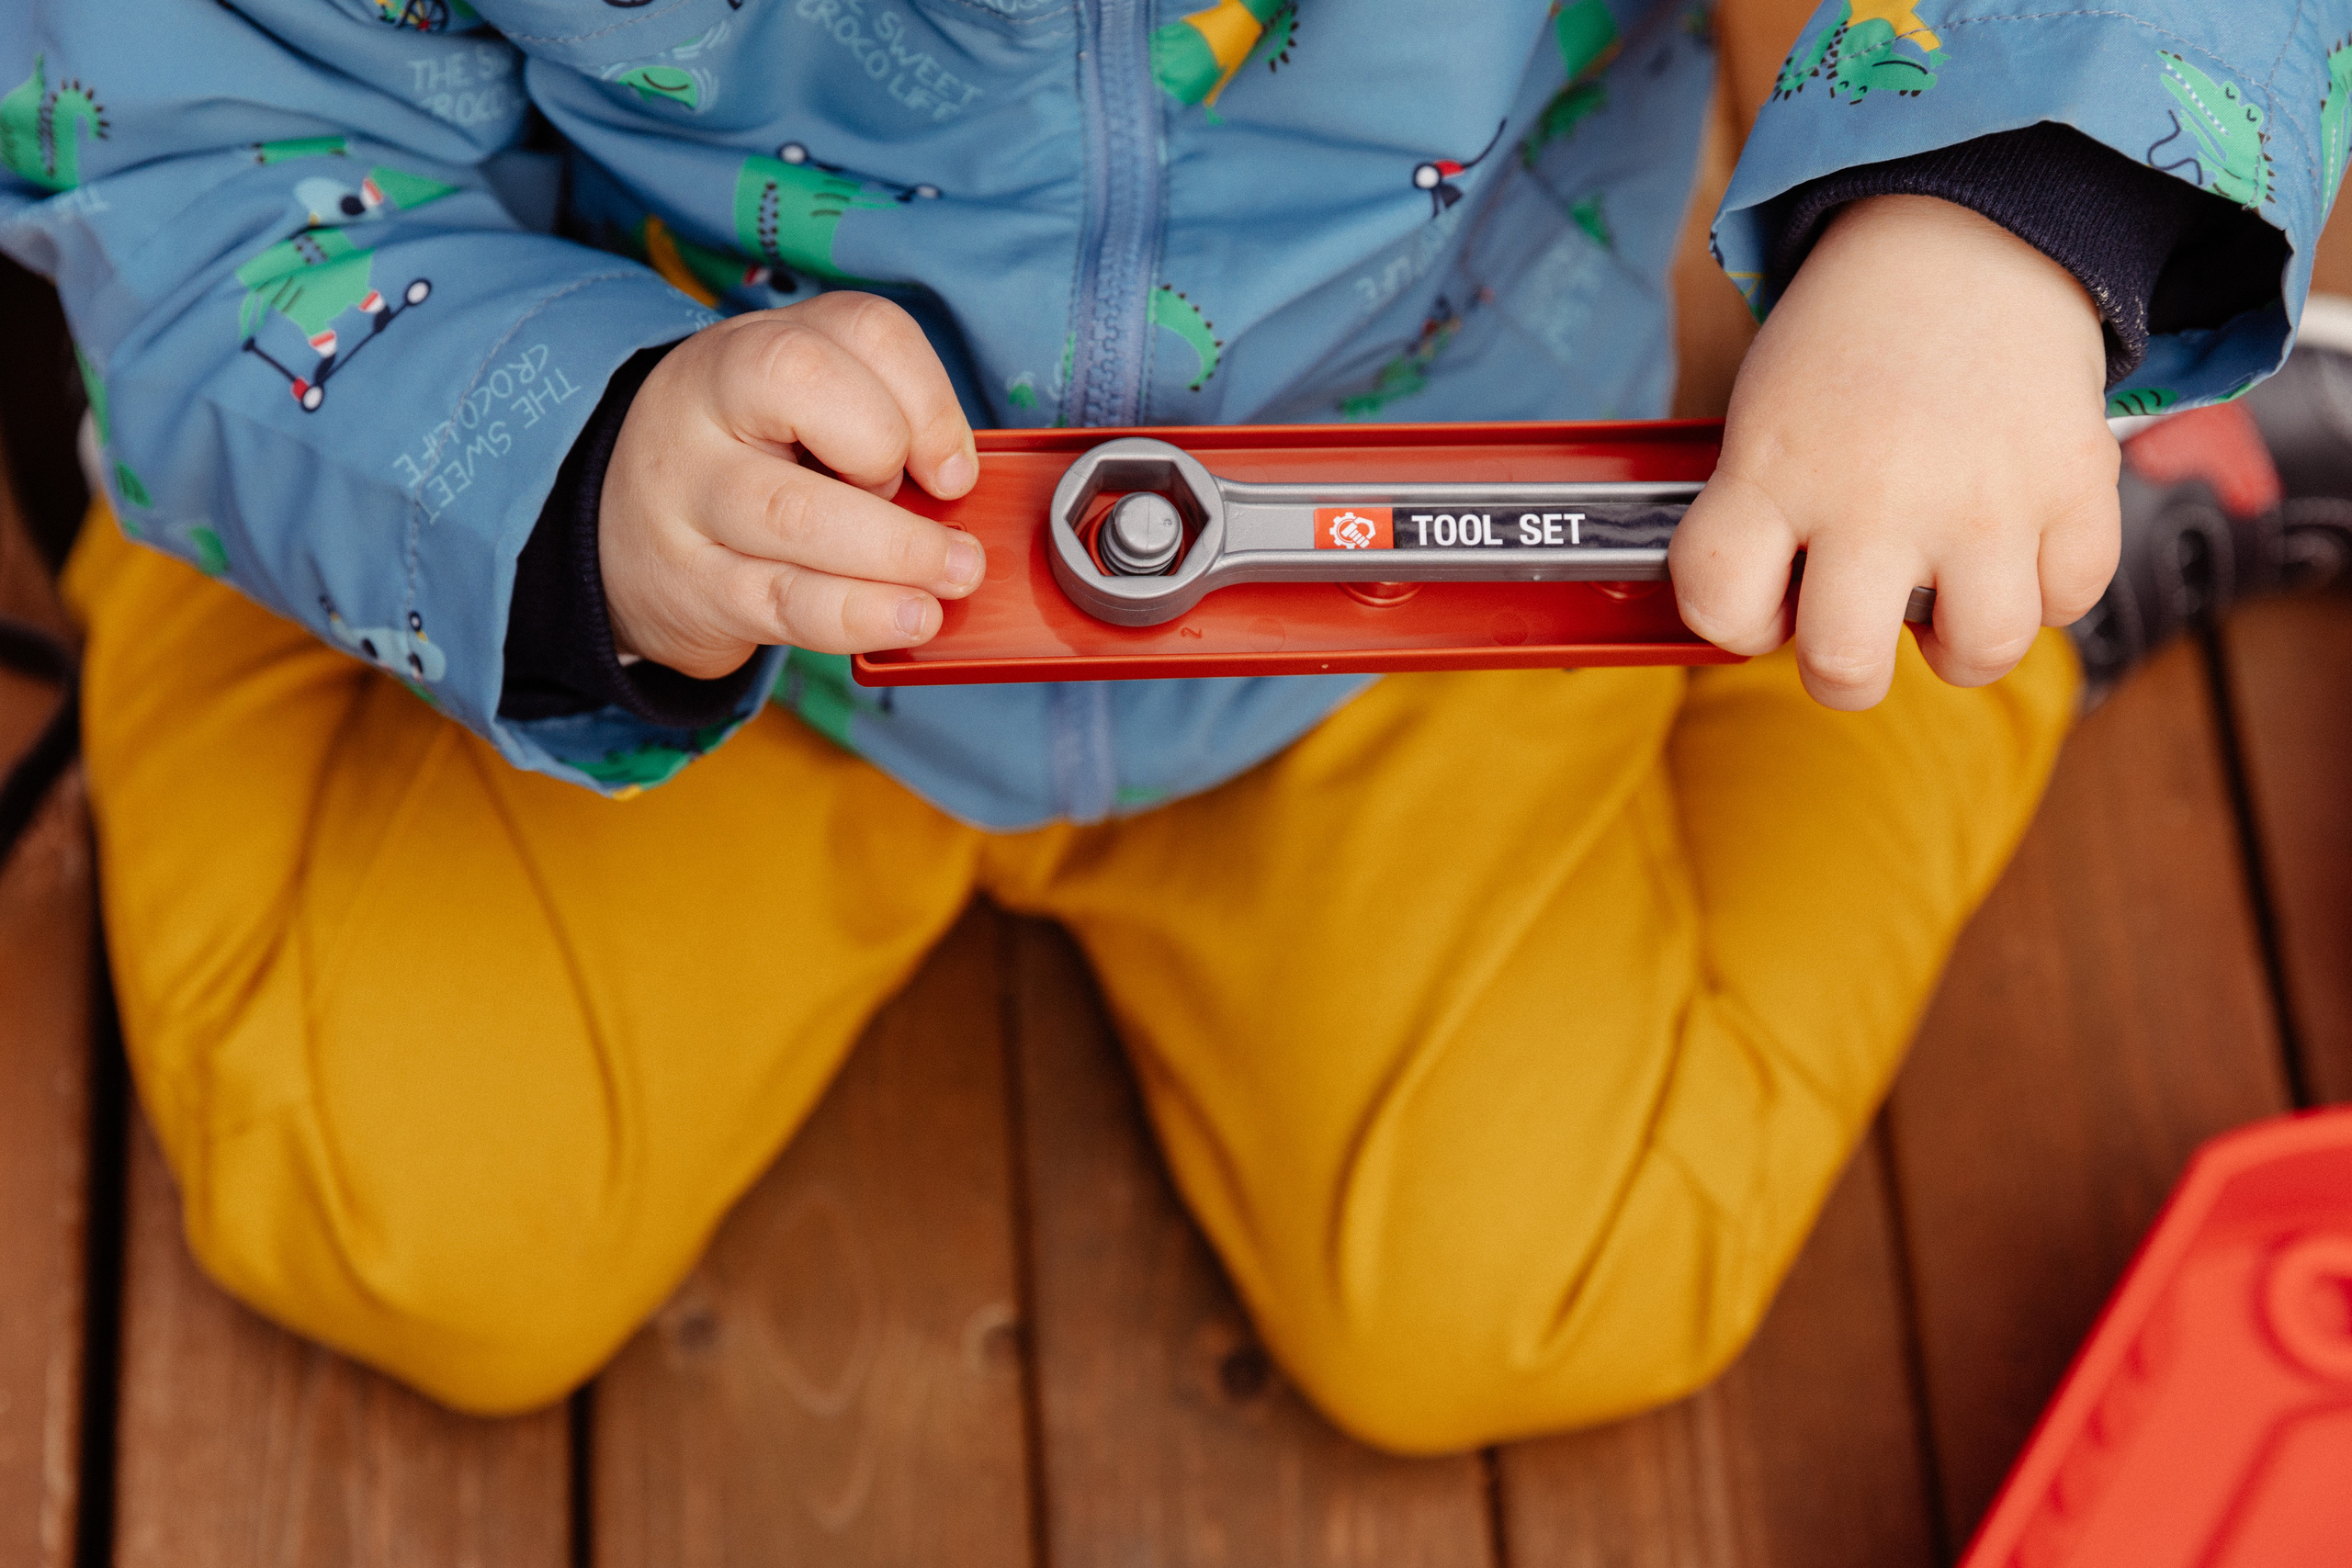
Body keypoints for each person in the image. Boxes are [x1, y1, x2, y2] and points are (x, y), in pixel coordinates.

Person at [3, 0, 2344, 1446]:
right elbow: (198, 159)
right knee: (399, 1214)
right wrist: (543, 470)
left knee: (1527, 1289)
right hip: (710, 557)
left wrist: (2010, 220)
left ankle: (2030, 529)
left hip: (1430, 509)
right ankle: (227, 550)